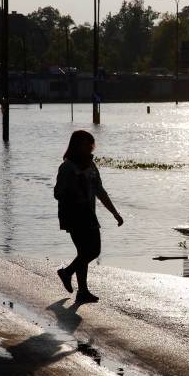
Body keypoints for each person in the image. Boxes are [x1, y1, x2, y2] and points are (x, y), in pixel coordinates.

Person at [54, 130, 123, 303]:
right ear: (77, 145)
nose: (90, 148)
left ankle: (81, 290)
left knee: (89, 251)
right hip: (73, 215)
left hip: (89, 214)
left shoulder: (91, 166)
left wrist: (115, 213)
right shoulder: (67, 167)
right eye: (86, 144)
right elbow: (57, 193)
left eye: (91, 144)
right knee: (88, 252)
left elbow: (100, 191)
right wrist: (73, 192)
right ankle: (68, 274)